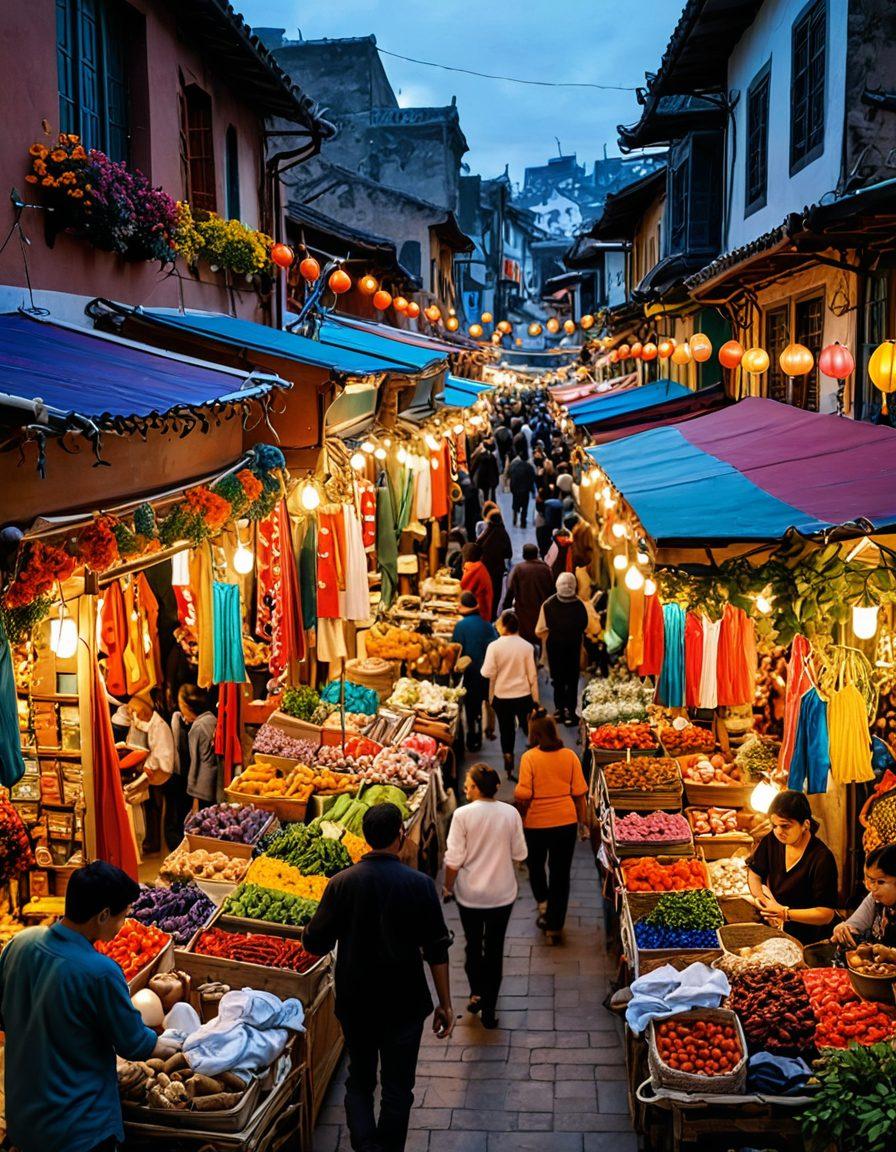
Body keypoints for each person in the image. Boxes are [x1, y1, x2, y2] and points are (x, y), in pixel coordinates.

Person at [302, 803, 454, 1152]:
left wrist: (311, 928)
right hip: (405, 1005)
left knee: (359, 1081)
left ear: (367, 839)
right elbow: (436, 950)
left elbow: (315, 942)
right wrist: (446, 1004)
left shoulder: (342, 883)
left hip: (357, 1004)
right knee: (399, 1089)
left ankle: (366, 1146)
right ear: (400, 835)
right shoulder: (419, 885)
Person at [0, 862, 174, 1152]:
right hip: (78, 1129)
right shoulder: (100, 971)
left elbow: (4, 1019)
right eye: (122, 918)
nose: (123, 926)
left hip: (24, 1118)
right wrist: (177, 1044)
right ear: (103, 915)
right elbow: (135, 1045)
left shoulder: (19, 944)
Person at [443, 764, 527, 1029]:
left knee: (472, 944)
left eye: (468, 783)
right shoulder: (510, 813)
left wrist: (447, 887)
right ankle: (489, 1007)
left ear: (477, 788)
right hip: (502, 894)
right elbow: (520, 854)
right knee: (494, 949)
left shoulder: (462, 815)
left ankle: (476, 992)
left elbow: (453, 860)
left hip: (470, 896)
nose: (465, 787)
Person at [514, 716, 588, 945]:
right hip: (565, 822)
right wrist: (583, 823)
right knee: (560, 872)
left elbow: (523, 794)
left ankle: (543, 902)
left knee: (536, 864)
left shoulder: (530, 758)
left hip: (536, 823)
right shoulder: (570, 756)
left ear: (535, 735)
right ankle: (555, 925)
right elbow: (580, 794)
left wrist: (520, 808)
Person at [747, 789, 839, 944]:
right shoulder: (772, 840)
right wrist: (763, 902)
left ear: (805, 825)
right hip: (781, 931)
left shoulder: (822, 858)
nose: (778, 832)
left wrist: (785, 913)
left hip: (813, 938)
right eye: (774, 825)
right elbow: (755, 873)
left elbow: (826, 914)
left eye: (785, 826)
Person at [481, 609, 539, 780]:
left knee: (506, 732)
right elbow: (532, 676)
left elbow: (486, 672)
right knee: (528, 728)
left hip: (502, 697)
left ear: (505, 626)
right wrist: (536, 700)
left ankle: (509, 768)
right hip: (523, 696)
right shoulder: (527, 647)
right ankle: (533, 764)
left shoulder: (494, 647)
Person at [127, 690, 177, 855]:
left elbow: (162, 756)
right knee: (152, 808)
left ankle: (157, 842)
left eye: (136, 713)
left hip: (161, 771)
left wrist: (145, 772)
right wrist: (135, 721)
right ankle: (152, 840)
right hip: (154, 769)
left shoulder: (160, 727)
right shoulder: (154, 722)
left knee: (157, 809)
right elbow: (144, 726)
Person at [536, 573, 589, 727]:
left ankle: (559, 710)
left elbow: (539, 630)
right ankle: (571, 714)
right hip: (573, 647)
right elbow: (585, 626)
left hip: (555, 648)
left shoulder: (548, 604)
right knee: (572, 681)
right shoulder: (580, 605)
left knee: (557, 680)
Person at [453, 591, 498, 753]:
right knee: (483, 701)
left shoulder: (460, 626)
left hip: (470, 673)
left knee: (471, 707)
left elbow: (456, 650)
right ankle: (485, 729)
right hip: (487, 672)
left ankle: (473, 738)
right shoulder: (487, 625)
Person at [831, 844, 896, 947]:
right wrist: (842, 929)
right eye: (871, 881)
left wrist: (891, 955)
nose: (872, 888)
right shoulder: (874, 898)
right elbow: (853, 925)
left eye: (880, 882)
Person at [172, 683, 219, 813]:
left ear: (188, 706)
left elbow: (195, 763)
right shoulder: (211, 719)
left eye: (181, 707)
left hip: (202, 787)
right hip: (216, 780)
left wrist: (193, 795)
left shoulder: (197, 728)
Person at [505, 543, 555, 647]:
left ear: (524, 555)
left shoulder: (519, 569)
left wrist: (506, 607)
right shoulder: (546, 569)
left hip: (524, 613)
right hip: (541, 612)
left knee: (524, 640)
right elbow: (552, 591)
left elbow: (511, 590)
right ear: (536, 554)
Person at [479, 507, 513, 620]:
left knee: (486, 593)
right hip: (497, 570)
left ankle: (486, 614)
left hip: (484, 569)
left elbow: (477, 545)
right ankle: (493, 616)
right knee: (496, 593)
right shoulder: (503, 533)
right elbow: (509, 553)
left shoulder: (486, 532)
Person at [460, 541, 493, 622]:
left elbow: (462, 588)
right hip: (481, 610)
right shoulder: (478, 566)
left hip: (480, 613)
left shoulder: (474, 568)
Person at [508, 451, 537, 529]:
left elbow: (511, 476)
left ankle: (514, 519)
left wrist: (512, 489)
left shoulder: (515, 466)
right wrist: (531, 490)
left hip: (516, 490)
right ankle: (523, 523)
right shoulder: (529, 467)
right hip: (525, 491)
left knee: (515, 505)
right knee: (525, 507)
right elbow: (532, 479)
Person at [471, 440, 500, 505]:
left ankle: (484, 507)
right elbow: (496, 469)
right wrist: (497, 480)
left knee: (483, 495)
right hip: (491, 479)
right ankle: (492, 506)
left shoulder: (480, 456)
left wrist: (471, 476)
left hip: (482, 479)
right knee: (491, 495)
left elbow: (474, 467)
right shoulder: (492, 457)